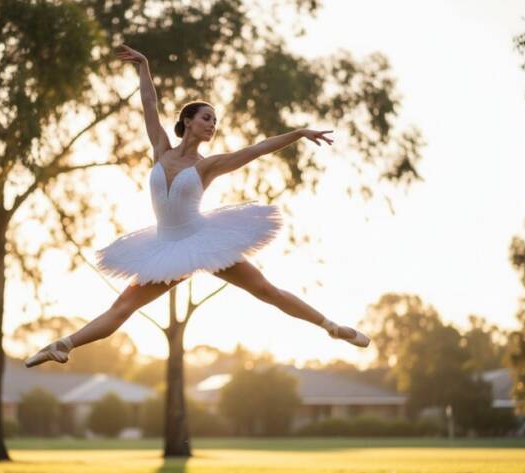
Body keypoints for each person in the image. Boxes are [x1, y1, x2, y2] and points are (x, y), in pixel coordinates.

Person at [25, 44, 369, 368]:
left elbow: (258, 149)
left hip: (203, 241)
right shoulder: (161, 149)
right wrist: (144, 66)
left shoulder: (207, 166)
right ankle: (63, 345)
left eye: (215, 121)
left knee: (265, 290)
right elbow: (149, 106)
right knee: (122, 308)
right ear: (188, 121)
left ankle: (331, 326)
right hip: (164, 249)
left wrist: (298, 132)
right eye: (207, 117)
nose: (212, 124)